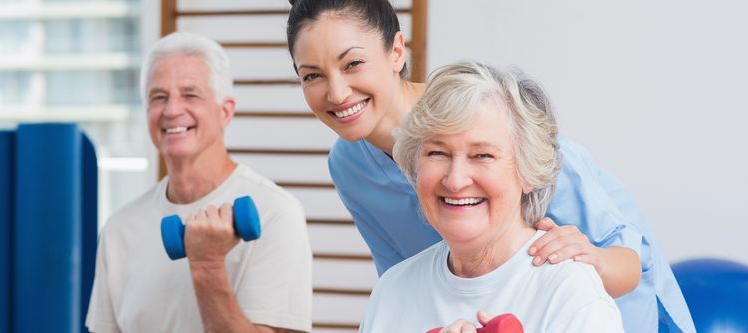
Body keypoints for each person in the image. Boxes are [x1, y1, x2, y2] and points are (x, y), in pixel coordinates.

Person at [285, 0, 693, 332]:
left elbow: (627, 263)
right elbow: (404, 287)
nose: (337, 92)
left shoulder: (493, 120)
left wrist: (592, 262)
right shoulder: (349, 167)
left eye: (353, 63)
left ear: (396, 51)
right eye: (313, 76)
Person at [361, 60, 624, 332]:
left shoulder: (571, 294)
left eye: (482, 155)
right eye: (437, 153)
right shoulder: (392, 291)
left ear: (527, 171)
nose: (455, 180)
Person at [85, 32, 312, 333]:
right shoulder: (119, 230)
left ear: (225, 111)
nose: (171, 110)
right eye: (158, 97)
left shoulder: (276, 214)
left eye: (190, 94)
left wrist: (207, 265)